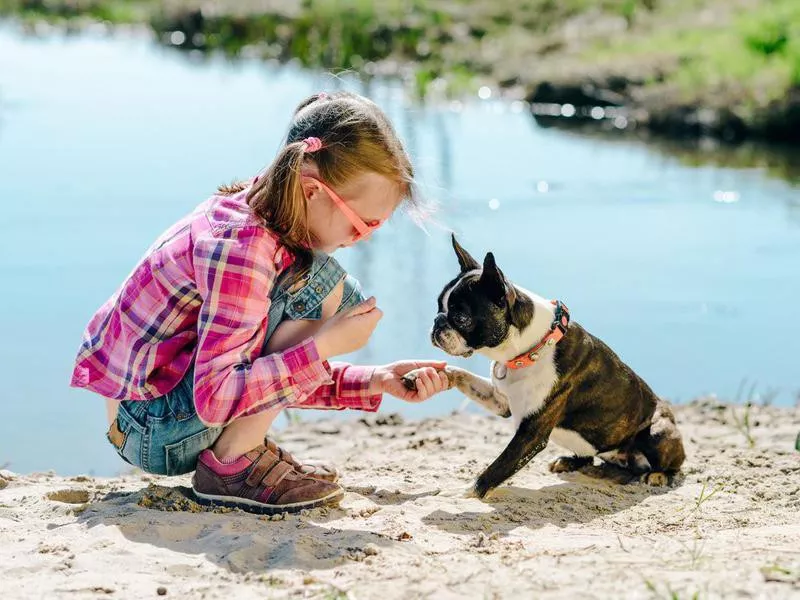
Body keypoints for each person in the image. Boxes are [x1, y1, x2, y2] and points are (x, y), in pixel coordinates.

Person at [71, 91, 449, 514]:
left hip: (158, 411)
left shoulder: (264, 216)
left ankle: (239, 452)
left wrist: (373, 380)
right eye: (364, 224)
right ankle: (234, 463)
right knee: (329, 292)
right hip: (152, 427)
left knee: (325, 288)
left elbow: (255, 365)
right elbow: (217, 396)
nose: (363, 237)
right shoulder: (243, 250)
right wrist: (324, 345)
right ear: (311, 191)